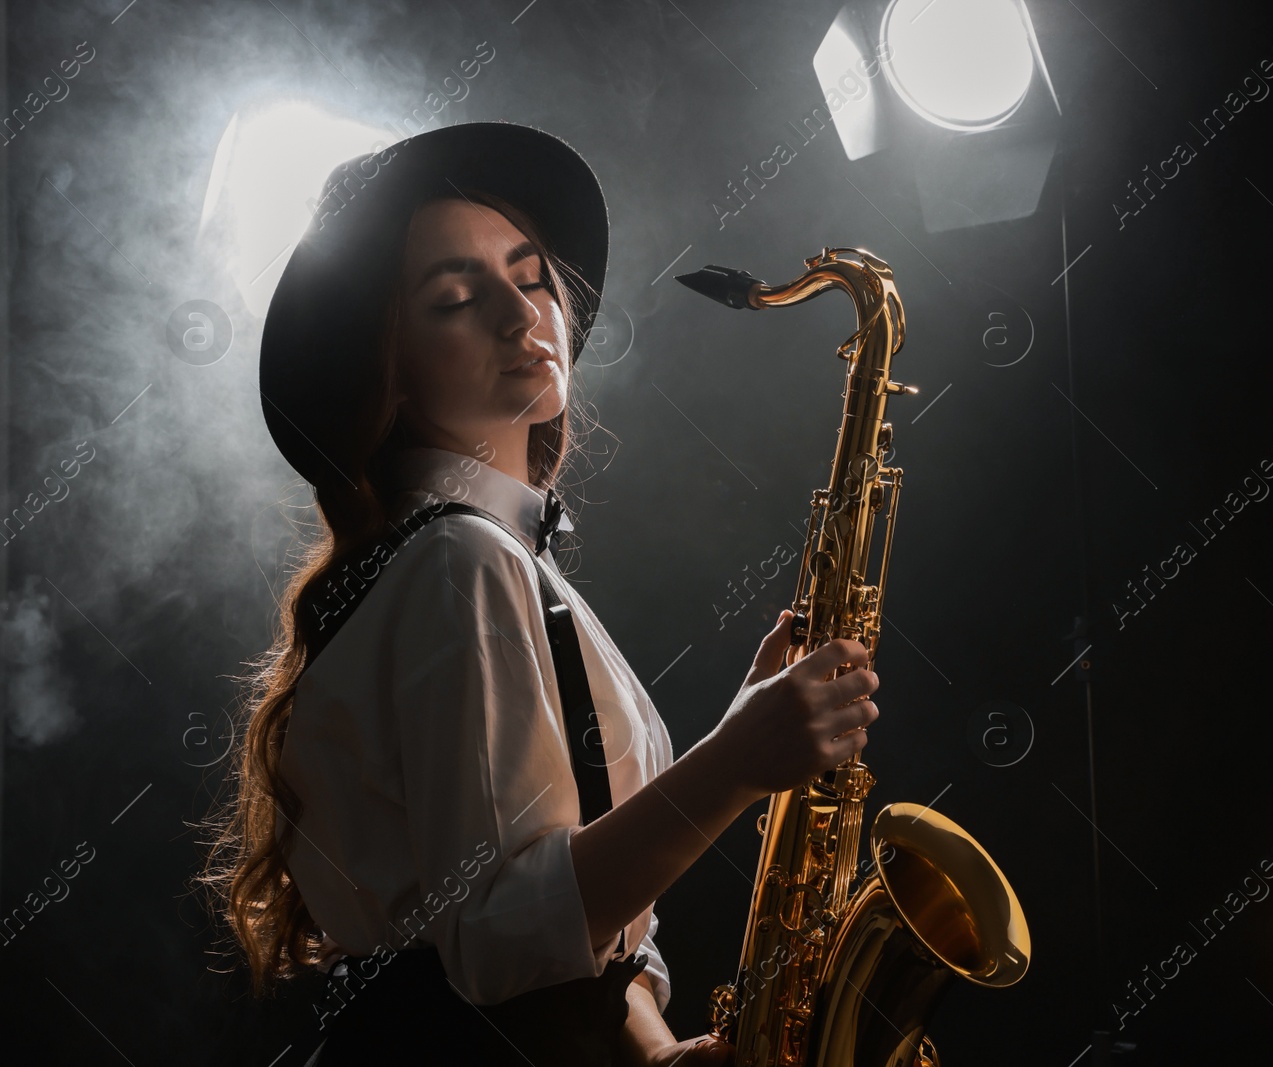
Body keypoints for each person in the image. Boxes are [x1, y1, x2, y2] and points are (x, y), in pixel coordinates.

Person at [193, 122, 880, 1066]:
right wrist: (737, 759)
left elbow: (572, 947)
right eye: (455, 300)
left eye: (527, 276)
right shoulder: (457, 563)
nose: (523, 317)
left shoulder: (490, 561)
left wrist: (661, 1053)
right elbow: (495, 934)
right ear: (387, 373)